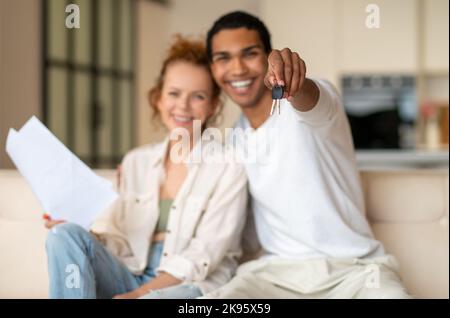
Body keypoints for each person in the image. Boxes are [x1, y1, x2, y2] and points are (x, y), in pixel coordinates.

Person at [203, 11, 410, 298]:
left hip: (356, 272)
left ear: (266, 57)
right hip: (274, 277)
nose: (237, 68)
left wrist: (295, 85)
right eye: (223, 57)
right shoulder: (233, 141)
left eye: (249, 53)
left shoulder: (318, 101)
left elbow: (311, 101)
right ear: (213, 68)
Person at [44, 35, 248, 299]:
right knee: (63, 234)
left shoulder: (228, 166)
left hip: (188, 285)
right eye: (174, 93)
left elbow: (205, 253)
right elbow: (120, 242)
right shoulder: (135, 162)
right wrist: (84, 235)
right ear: (159, 99)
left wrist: (139, 294)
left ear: (213, 105)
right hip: (130, 274)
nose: (183, 106)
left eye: (198, 96)